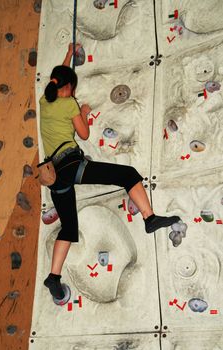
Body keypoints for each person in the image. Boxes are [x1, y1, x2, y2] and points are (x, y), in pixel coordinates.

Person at [41, 43, 180, 302]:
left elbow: (59, 75)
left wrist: (70, 54)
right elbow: (83, 133)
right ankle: (149, 218)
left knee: (69, 229)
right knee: (127, 174)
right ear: (69, 88)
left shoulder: (44, 101)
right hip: (71, 165)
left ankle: (54, 277)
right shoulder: (68, 104)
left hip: (53, 175)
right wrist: (82, 112)